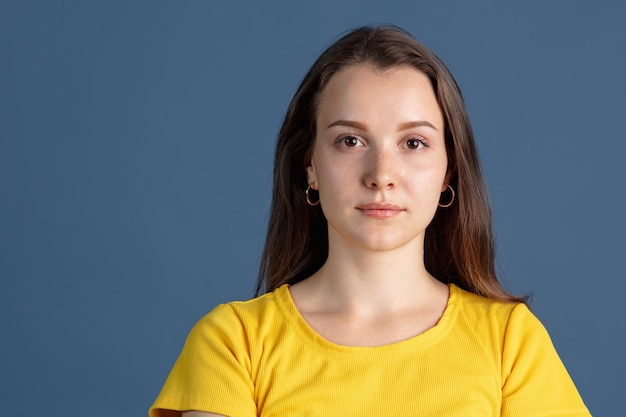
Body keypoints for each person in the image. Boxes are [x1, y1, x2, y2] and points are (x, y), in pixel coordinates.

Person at [149, 25, 591, 416]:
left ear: (448, 172)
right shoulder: (234, 342)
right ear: (310, 166)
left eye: (414, 143)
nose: (381, 175)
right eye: (350, 140)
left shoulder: (510, 341)